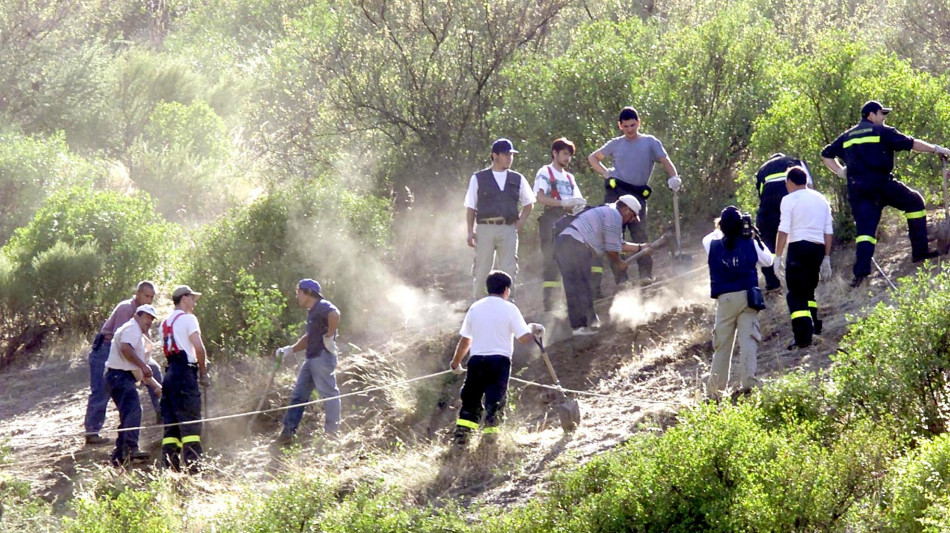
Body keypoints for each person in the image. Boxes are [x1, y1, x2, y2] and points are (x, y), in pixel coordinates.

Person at [821, 100, 950, 287]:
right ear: (871, 115)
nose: (883, 118)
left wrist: (840, 171)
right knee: (914, 202)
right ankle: (920, 251)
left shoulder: (847, 136)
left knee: (865, 232)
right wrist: (936, 149)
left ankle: (860, 276)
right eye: (882, 114)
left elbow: (826, 154)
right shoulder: (881, 131)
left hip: (858, 189)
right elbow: (911, 143)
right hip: (881, 184)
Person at [449, 270, 544, 447]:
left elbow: (465, 340)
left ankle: (462, 439)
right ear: (506, 289)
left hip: (476, 361)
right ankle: (490, 441)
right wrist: (534, 330)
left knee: (470, 400)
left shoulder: (475, 307)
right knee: (495, 401)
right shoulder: (510, 308)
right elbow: (523, 338)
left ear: (488, 288)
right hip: (499, 362)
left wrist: (455, 363)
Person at [588, 106, 681, 285]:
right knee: (614, 235)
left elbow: (665, 161)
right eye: (626, 126)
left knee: (639, 233)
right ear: (620, 126)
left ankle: (645, 275)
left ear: (639, 123)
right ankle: (621, 279)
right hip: (616, 193)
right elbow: (593, 158)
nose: (630, 129)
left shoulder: (650, 142)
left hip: (637, 194)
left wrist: (674, 177)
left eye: (633, 125)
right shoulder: (615, 143)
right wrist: (606, 173)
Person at [702, 206, 774, 400]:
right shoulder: (750, 242)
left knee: (722, 345)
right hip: (748, 296)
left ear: (721, 226)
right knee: (749, 339)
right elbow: (768, 260)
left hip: (725, 299)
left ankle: (715, 392)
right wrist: (753, 234)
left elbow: (708, 238)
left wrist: (724, 227)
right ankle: (748, 383)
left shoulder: (712, 243)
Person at [554, 195, 651, 336]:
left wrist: (641, 247)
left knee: (576, 285)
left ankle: (584, 325)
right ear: (626, 210)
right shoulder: (614, 215)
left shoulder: (609, 211)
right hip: (574, 243)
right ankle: (585, 326)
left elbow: (618, 244)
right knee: (580, 285)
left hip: (565, 242)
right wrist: (619, 263)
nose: (630, 221)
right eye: (632, 216)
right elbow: (611, 250)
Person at [83, 281, 162, 445]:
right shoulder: (127, 308)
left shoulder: (143, 313)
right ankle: (92, 432)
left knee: (155, 369)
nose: (149, 300)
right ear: (138, 294)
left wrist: (144, 360)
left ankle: (162, 412)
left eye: (151, 297)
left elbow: (139, 339)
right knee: (101, 390)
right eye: (146, 296)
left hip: (122, 349)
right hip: (105, 349)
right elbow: (123, 341)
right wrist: (141, 364)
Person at [464, 138, 537, 301]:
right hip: (485, 227)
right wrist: (470, 231)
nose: (509, 158)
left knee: (509, 269)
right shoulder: (478, 178)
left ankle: (508, 303)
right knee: (482, 268)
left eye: (511, 155)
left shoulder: (517, 178)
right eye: (506, 154)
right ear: (494, 155)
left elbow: (529, 203)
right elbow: (471, 207)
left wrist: (520, 224)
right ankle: (480, 302)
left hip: (508, 228)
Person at [274, 279, 342, 446]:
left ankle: (332, 435)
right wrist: (291, 349)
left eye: (299, 292)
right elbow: (309, 337)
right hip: (311, 359)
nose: (297, 295)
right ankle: (288, 434)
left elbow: (335, 314)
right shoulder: (313, 311)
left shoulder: (322, 305)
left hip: (322, 357)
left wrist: (329, 336)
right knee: (298, 396)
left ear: (308, 293)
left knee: (329, 394)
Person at [774, 167, 834, 349]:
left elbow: (784, 229)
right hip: (817, 248)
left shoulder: (789, 199)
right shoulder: (821, 199)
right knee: (809, 290)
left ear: (790, 182)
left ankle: (802, 337)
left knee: (795, 294)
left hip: (798, 247)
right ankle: (814, 326)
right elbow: (828, 231)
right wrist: (826, 257)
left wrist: (777, 256)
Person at [103, 304, 161, 466]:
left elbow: (137, 370)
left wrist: (156, 386)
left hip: (118, 376)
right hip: (119, 375)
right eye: (147, 317)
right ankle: (130, 448)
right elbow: (125, 348)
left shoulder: (136, 334)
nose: (150, 321)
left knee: (128, 414)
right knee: (134, 409)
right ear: (138, 315)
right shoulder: (132, 328)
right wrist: (143, 366)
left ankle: (119, 455)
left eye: (152, 318)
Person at [159, 285, 209, 473]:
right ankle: (195, 471)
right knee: (190, 424)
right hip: (185, 374)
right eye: (192, 298)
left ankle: (169, 470)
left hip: (170, 373)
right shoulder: (189, 319)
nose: (194, 302)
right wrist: (203, 373)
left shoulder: (164, 323)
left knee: (171, 428)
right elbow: (199, 348)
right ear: (184, 298)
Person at [533, 137, 586, 312]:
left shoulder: (570, 178)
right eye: (564, 154)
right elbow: (539, 197)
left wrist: (578, 204)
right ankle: (550, 304)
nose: (567, 158)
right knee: (551, 260)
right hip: (551, 218)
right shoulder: (545, 171)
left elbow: (577, 200)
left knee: (571, 260)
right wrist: (562, 203)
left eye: (569, 155)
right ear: (555, 153)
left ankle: (568, 301)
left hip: (569, 219)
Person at [753, 153, 813, 291]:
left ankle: (772, 283)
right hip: (794, 204)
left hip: (769, 211)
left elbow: (761, 195)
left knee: (767, 243)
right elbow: (809, 186)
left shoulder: (763, 169)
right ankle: (801, 276)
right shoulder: (796, 161)